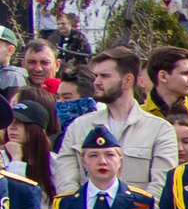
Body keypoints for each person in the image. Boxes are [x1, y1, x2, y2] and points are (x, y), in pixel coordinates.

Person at [50, 48, 176, 198]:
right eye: (96, 76)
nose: (96, 82)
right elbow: (65, 181)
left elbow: (161, 186)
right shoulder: (79, 127)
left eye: (104, 76)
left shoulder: (160, 130)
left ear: (127, 80)